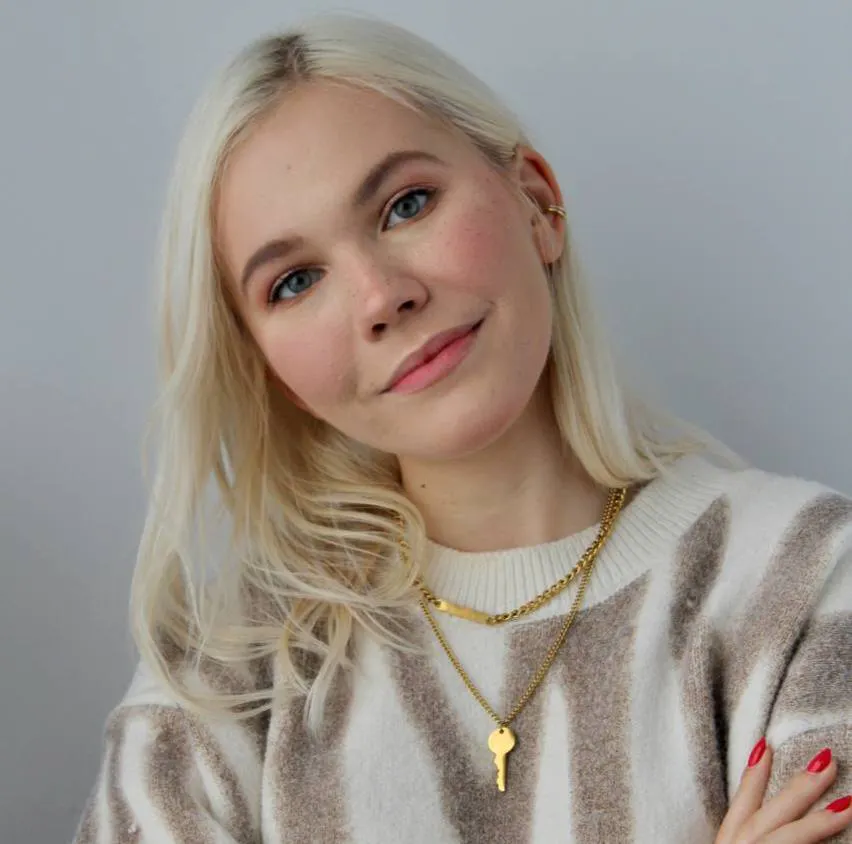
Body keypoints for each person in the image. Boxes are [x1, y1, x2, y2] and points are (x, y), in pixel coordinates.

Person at [73, 13, 852, 844]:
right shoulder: (222, 681)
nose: (382, 297)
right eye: (296, 281)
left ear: (537, 202)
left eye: (405, 205)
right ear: (270, 369)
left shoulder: (804, 577)